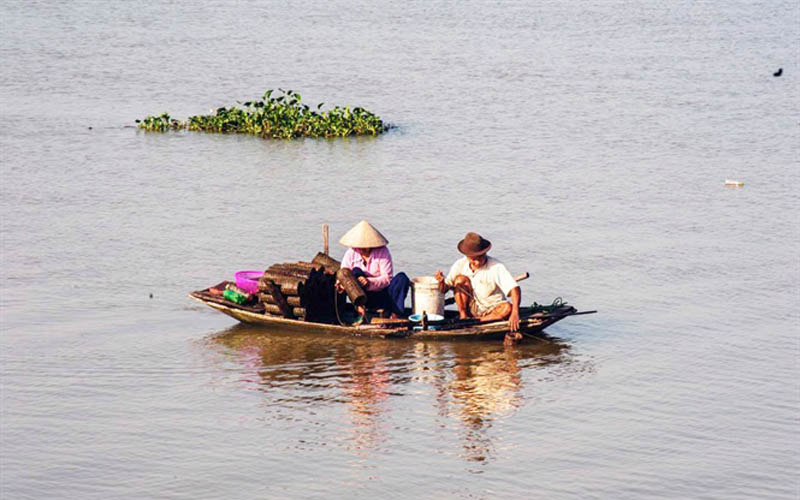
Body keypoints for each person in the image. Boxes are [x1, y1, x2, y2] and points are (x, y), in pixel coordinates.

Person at [434, 232, 521, 338]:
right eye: (473, 259)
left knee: (507, 307)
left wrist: (515, 313)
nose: (477, 262)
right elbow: (443, 289)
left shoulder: (496, 266)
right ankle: (463, 317)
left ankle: (477, 321)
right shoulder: (460, 264)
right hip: (472, 307)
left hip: (492, 310)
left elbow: (514, 288)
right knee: (460, 280)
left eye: (480, 257)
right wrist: (441, 282)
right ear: (467, 256)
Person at [336, 220, 410, 322]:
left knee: (402, 278)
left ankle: (394, 314)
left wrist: (369, 282)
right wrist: (341, 284)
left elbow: (387, 278)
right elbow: (344, 273)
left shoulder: (383, 252)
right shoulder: (351, 253)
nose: (360, 248)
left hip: (384, 295)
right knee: (356, 271)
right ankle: (360, 308)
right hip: (363, 296)